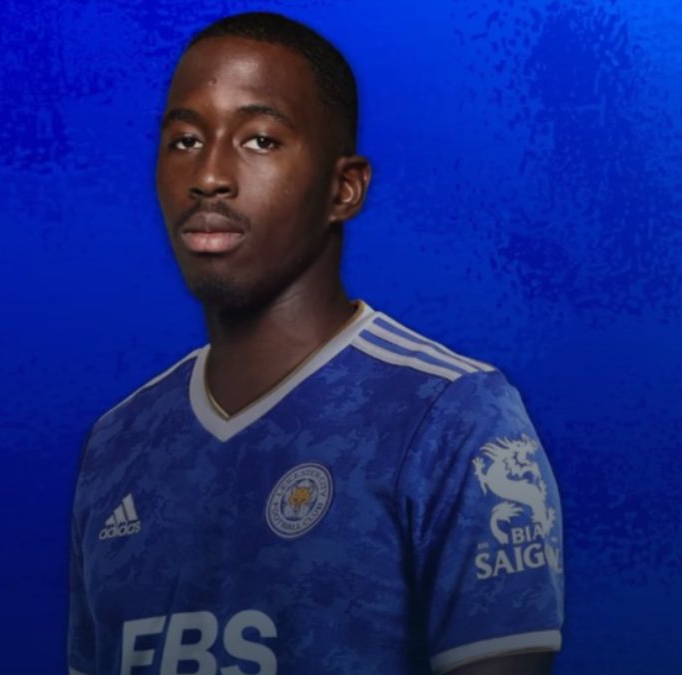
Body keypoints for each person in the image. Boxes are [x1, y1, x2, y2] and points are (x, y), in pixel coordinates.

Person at [68, 12, 564, 675]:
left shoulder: (451, 415)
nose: (208, 175)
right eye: (186, 140)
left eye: (260, 140)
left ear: (344, 188)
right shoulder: (118, 442)